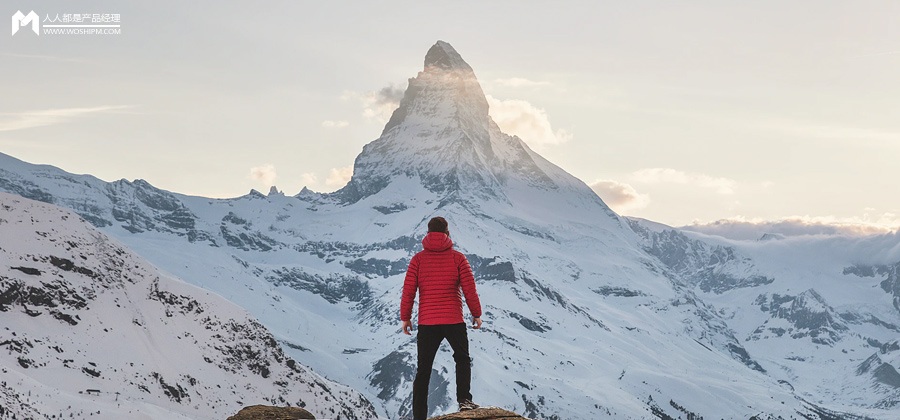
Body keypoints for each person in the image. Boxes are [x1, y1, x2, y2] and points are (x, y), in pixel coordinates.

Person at [401, 216, 482, 420]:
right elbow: (469, 289)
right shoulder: (458, 258)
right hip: (453, 319)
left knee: (423, 370)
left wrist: (406, 317)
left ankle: (419, 416)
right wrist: (476, 314)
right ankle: (464, 400)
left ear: (428, 234)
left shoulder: (417, 259)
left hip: (428, 322)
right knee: (462, 359)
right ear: (447, 233)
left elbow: (408, 291)